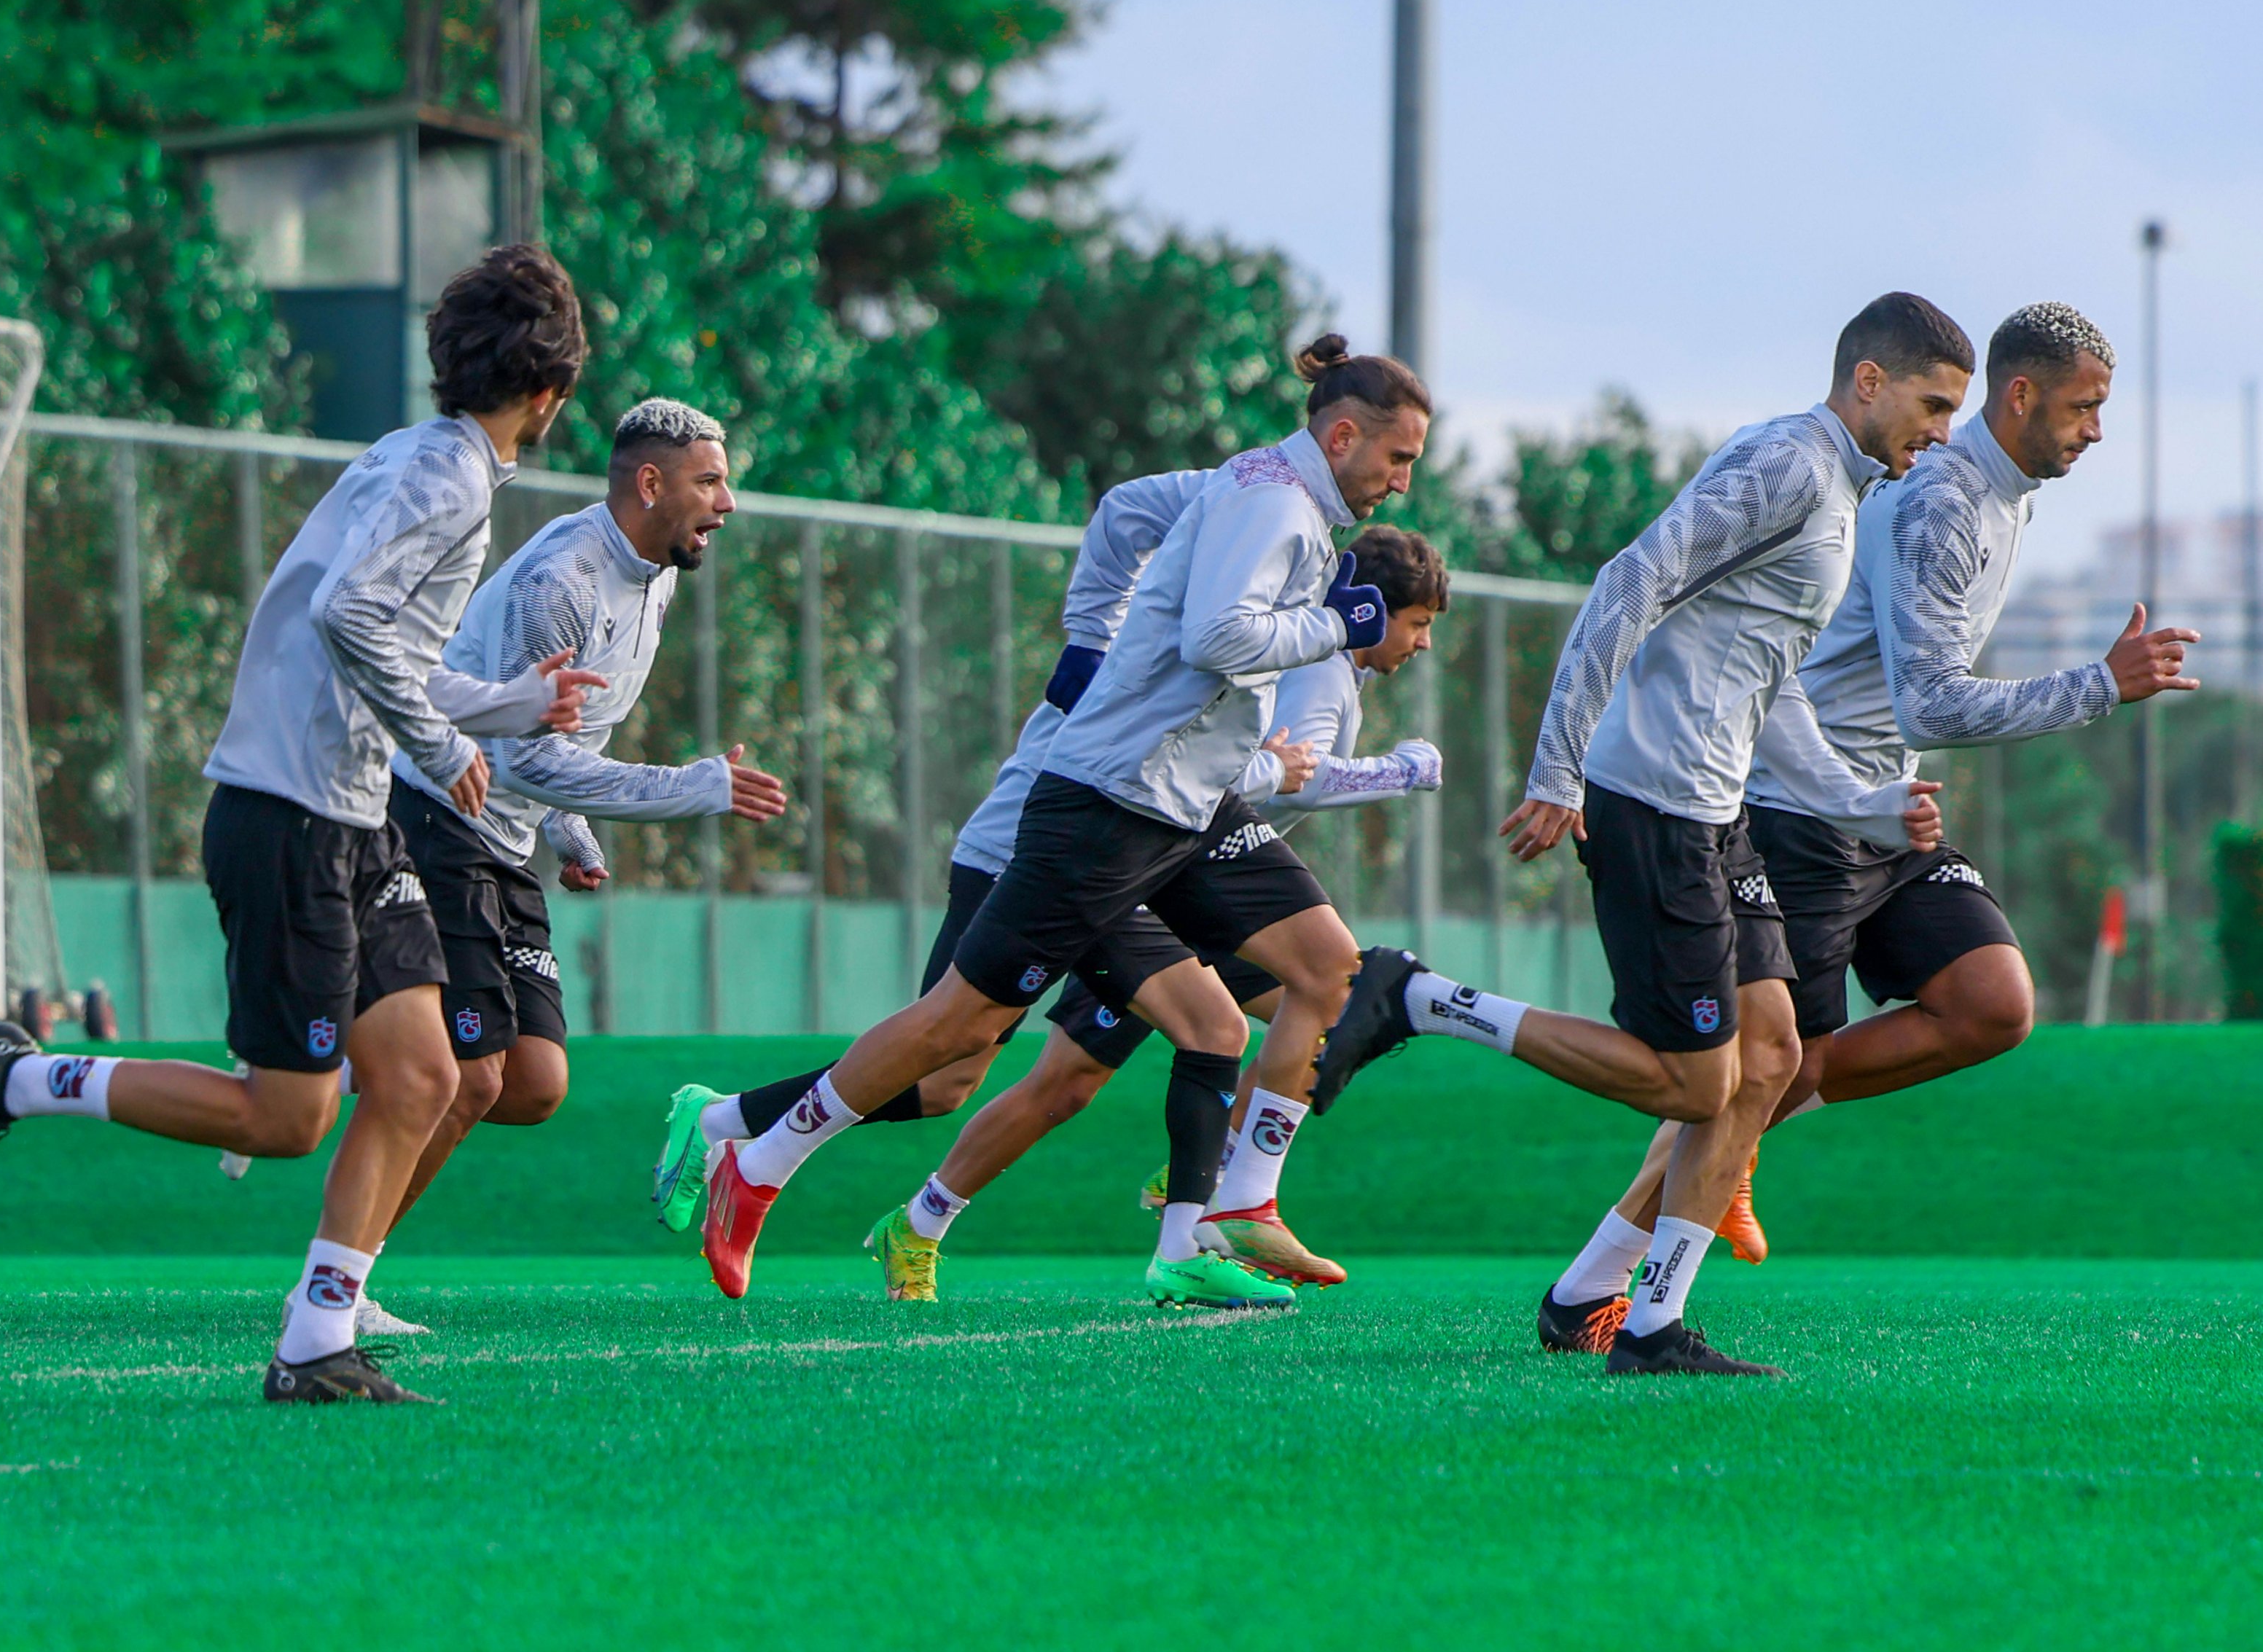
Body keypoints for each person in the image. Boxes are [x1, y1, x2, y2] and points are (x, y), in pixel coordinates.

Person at [0, 246, 598, 1408]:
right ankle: (23, 1080)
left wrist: (508, 706)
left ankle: (319, 1338)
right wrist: (446, 747)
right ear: (552, 394)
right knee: (286, 1119)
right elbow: (347, 617)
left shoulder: (413, 456)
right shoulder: (453, 483)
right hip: (292, 819)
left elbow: (390, 657)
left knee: (427, 1075)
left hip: (351, 815)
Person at [1313, 292, 1975, 1378]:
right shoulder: (1791, 469)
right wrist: (1559, 766)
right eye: (1933, 404)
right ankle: (1421, 998)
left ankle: (1632, 1315)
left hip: (1721, 814)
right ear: (1868, 381)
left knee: (1772, 1061)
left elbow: (1769, 683)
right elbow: (1633, 578)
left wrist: (1864, 803)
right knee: (1690, 1084)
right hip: (1651, 801)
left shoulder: (1840, 496)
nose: (1942, 431)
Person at [695, 334, 1431, 1301]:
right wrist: (1339, 624)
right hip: (1111, 802)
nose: (1403, 483)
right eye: (1399, 459)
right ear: (1342, 436)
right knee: (959, 1029)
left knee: (1318, 974)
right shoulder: (1273, 505)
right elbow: (1217, 636)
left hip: (1187, 803)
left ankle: (1227, 1214)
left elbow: (1130, 516)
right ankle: (757, 1161)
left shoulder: (1274, 492)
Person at [1540, 300, 2199, 1340]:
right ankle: (1593, 1288)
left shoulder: (2001, 494)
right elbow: (1928, 701)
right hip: (1804, 808)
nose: (2096, 431)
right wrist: (2100, 688)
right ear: (2018, 396)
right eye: (2084, 408)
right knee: (1757, 1073)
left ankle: (1742, 1139)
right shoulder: (1940, 498)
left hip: (1882, 810)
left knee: (1989, 1002)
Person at [861, 522, 1448, 1301]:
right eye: (1419, 624)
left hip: (1193, 887)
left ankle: (1204, 1180)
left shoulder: (1336, 673)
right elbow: (1288, 777)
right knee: (1038, 1080)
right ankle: (889, 1199)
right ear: (1372, 606)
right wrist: (1401, 770)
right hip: (1166, 885)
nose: (1423, 644)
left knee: (1331, 1006)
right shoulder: (1317, 668)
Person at [367, 396, 787, 1332]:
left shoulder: (658, 576)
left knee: (535, 1084)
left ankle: (359, 1064)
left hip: (507, 834)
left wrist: (570, 832)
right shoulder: (561, 577)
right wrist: (698, 787)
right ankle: (342, 1278)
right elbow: (522, 749)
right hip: (439, 813)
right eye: (710, 481)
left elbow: (567, 733)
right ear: (651, 483)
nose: (727, 501)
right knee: (469, 1079)